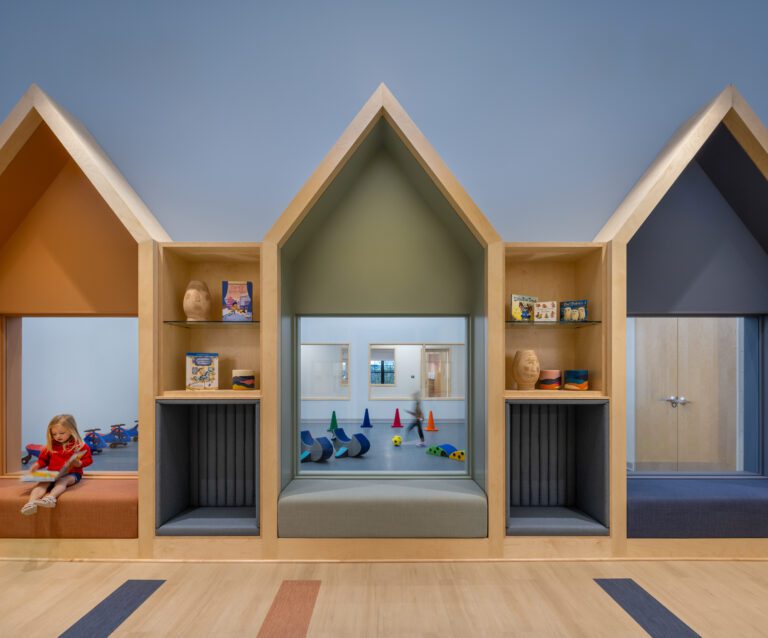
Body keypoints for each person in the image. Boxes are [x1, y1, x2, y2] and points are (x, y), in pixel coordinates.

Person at [20, 414, 92, 516]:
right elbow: (43, 460)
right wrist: (37, 465)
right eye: (54, 434)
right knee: (42, 484)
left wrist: (79, 463)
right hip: (53, 474)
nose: (57, 436)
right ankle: (30, 503)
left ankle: (50, 498)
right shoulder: (50, 445)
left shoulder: (80, 445)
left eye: (61, 433)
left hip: (72, 474)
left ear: (72, 430)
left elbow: (88, 460)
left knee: (63, 481)